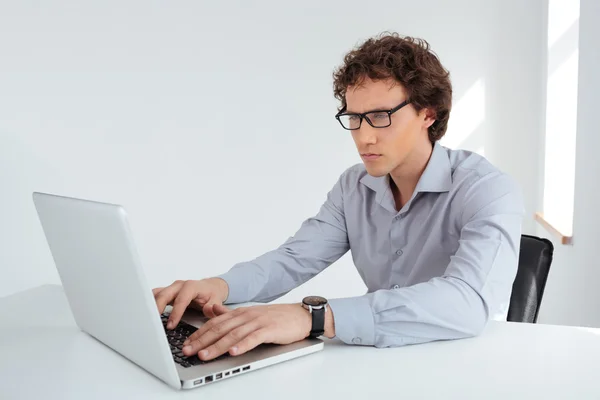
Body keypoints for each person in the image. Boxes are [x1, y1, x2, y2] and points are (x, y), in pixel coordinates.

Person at [152, 32, 524, 362]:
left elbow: (468, 303)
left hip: (466, 365)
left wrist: (315, 317)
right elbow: (293, 259)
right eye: (354, 118)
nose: (363, 137)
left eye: (380, 116)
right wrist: (219, 286)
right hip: (379, 363)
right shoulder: (354, 186)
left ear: (428, 113)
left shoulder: (487, 189)